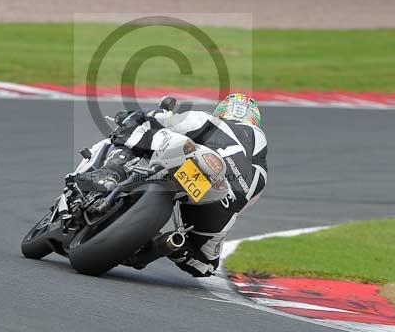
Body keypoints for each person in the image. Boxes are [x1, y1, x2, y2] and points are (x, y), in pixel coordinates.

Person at [73, 93, 268, 277]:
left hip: (200, 160)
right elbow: (243, 204)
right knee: (205, 265)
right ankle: (169, 245)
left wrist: (134, 117)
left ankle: (111, 173)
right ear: (254, 118)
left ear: (223, 110)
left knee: (142, 125)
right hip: (223, 197)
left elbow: (164, 119)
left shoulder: (211, 121)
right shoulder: (261, 167)